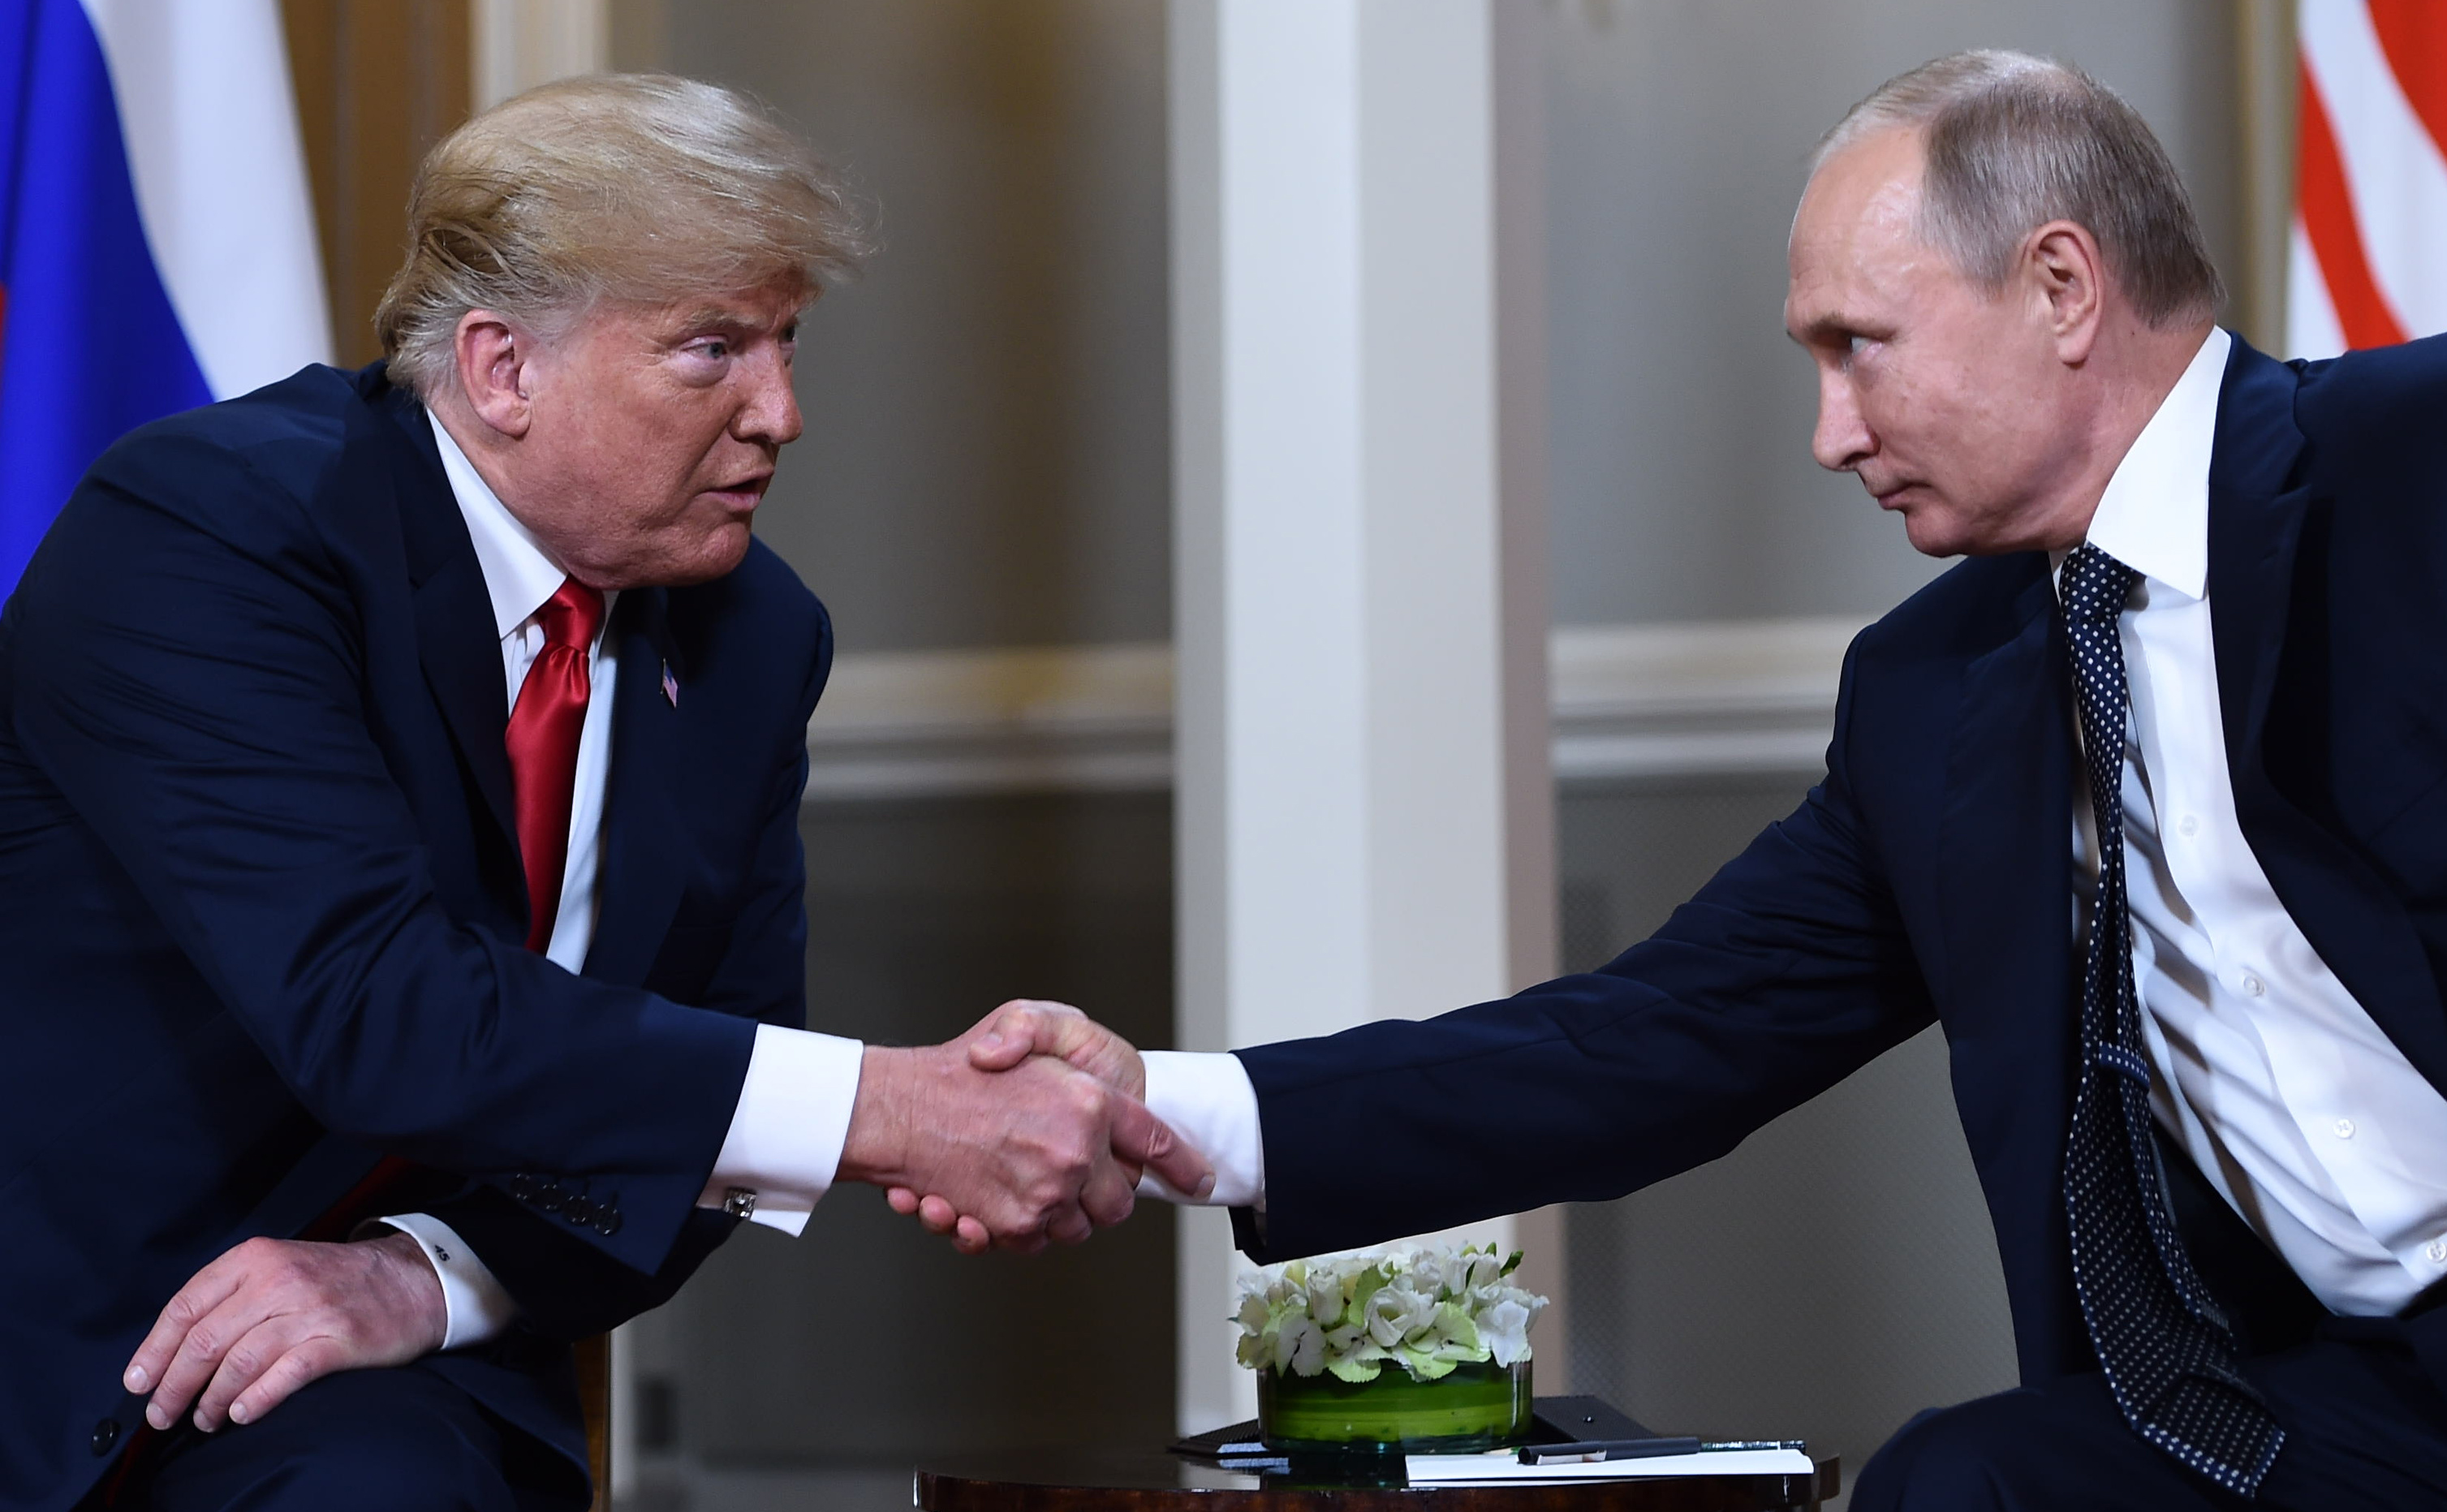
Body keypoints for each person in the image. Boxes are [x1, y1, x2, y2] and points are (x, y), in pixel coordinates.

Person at [954, 50, 2447, 1510]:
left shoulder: (2408, 469)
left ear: (2062, 288)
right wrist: (1173, 1109)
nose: (1828, 435)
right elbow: (1658, 1036)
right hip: (2351, 1393)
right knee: (1963, 1477)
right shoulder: (1935, 698)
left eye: (1859, 344)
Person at [0, 75, 1207, 1512]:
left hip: (400, 1370)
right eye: (713, 351)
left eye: (787, 342)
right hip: (87, 1335)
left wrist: (429, 1280)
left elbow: (705, 1100)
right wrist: (892, 1108)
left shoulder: (755, 637)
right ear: (504, 369)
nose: (785, 413)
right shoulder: (217, 532)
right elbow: (378, 1011)